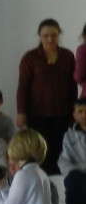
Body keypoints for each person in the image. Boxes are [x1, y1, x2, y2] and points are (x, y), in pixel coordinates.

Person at [16, 17, 77, 173]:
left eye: (54, 35)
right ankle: (43, 183)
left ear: (59, 35)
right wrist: (21, 112)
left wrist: (75, 109)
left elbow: (72, 86)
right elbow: (23, 86)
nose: (50, 39)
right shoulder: (30, 58)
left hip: (62, 112)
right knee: (40, 150)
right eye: (46, 35)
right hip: (37, 113)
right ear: (39, 36)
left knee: (61, 148)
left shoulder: (68, 56)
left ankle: (61, 184)